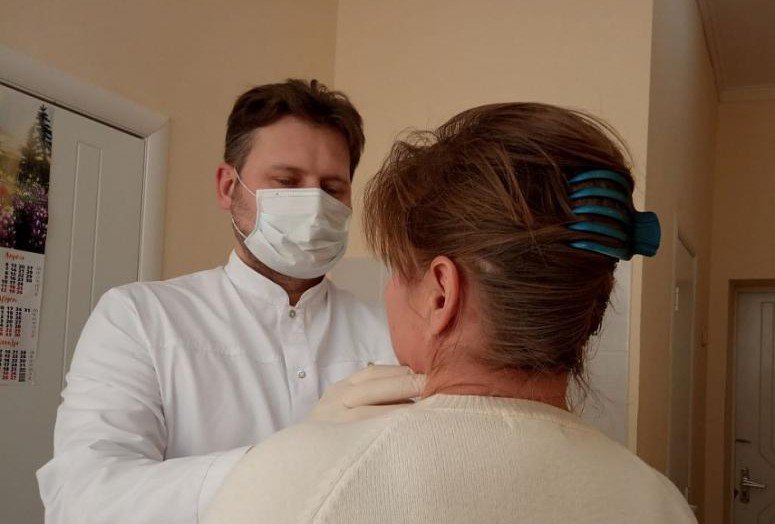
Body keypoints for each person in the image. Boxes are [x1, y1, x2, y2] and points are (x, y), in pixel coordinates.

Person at [202, 102, 696, 523]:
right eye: (287, 180)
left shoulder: (291, 484)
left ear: (441, 293)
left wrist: (308, 456)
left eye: (398, 270)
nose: (390, 290)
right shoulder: (658, 501)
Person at [36, 79, 425, 524]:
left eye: (332, 189)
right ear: (227, 187)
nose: (313, 205)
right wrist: (293, 457)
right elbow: (83, 501)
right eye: (286, 182)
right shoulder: (140, 319)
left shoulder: (393, 333)